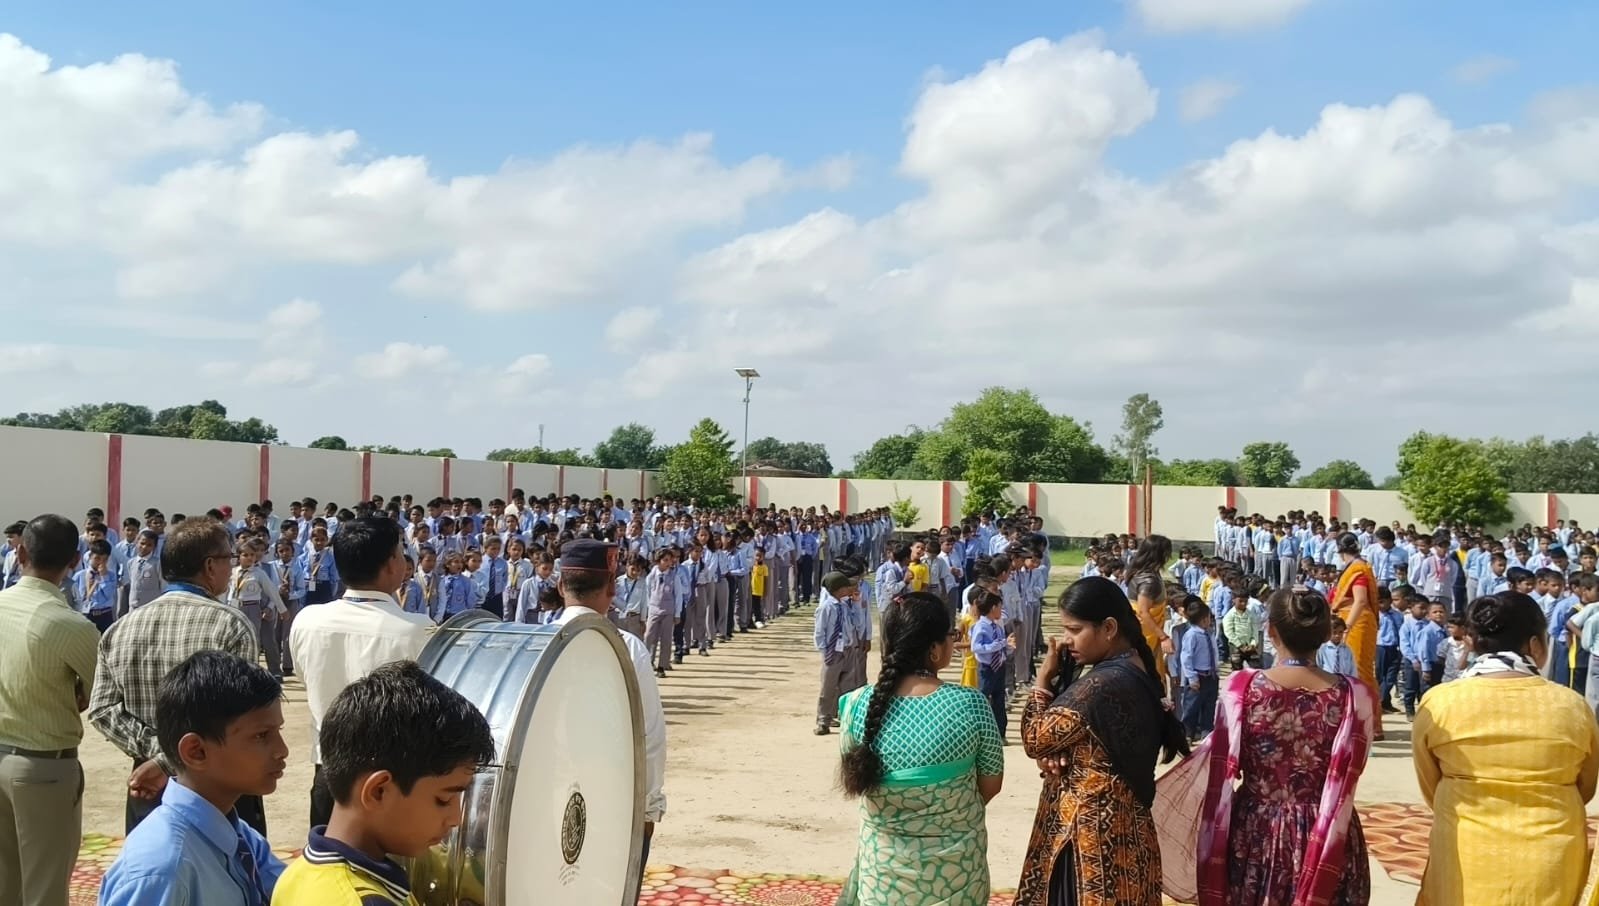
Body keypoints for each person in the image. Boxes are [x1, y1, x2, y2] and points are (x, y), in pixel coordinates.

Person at [1157, 586, 1374, 905]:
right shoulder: (1355, 696)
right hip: (1328, 830)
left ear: (1270, 630)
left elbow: (1223, 758)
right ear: (1328, 633)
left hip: (1256, 831)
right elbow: (1355, 765)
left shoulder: (1242, 687)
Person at [1414, 592, 1599, 906]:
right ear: (1536, 645)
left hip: (1465, 852)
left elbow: (1430, 783)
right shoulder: (1572, 706)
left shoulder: (1440, 702)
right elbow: (1586, 786)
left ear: (1472, 642)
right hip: (1549, 860)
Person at [87, 517, 266, 835]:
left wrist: (158, 758)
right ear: (210, 566)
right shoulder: (231, 625)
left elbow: (102, 709)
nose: (232, 567)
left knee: (153, 862)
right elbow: (236, 714)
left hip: (148, 783)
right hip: (218, 782)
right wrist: (168, 759)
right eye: (229, 558)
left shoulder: (120, 629)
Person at [1015, 576, 1188, 905]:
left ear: (1109, 628)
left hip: (1089, 838)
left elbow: (1035, 738)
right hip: (1126, 836)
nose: (1067, 640)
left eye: (1075, 629)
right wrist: (1059, 752)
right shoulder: (1133, 668)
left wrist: (1042, 681)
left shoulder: (1100, 685)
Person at [270, 661, 494, 905]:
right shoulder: (364, 900)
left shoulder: (297, 874)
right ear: (378, 791)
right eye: (444, 799)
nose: (456, 819)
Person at [835, 590, 1003, 905]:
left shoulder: (856, 705)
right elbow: (990, 784)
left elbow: (855, 774)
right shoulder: (972, 704)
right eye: (952, 635)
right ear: (935, 649)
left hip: (883, 880)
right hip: (958, 877)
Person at [98, 651, 288, 906]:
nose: (282, 750)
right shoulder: (163, 869)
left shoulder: (240, 836)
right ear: (196, 752)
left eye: (278, 731)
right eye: (261, 736)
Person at [288, 516, 435, 831]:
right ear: (391, 565)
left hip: (328, 771)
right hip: (390, 778)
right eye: (400, 553)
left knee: (326, 853)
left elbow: (305, 678)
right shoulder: (419, 630)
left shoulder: (307, 620)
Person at [548, 539, 667, 902]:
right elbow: (649, 737)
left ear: (560, 586)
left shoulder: (537, 640)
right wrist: (648, 806)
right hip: (613, 797)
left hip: (547, 795)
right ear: (612, 589)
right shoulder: (628, 647)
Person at [0, 514, 98, 906]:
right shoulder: (71, 625)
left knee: (6, 883)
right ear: (75, 560)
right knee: (45, 888)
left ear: (20, 552)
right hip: (42, 764)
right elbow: (96, 692)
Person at [1326, 532, 1380, 739]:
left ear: (1340, 551)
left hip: (1356, 622)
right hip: (1349, 620)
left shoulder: (1357, 569)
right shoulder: (1353, 567)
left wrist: (1347, 626)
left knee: (1359, 672)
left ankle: (1370, 724)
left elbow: (1360, 600)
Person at [814, 572, 863, 736]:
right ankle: (823, 720)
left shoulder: (845, 605)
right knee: (828, 688)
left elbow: (857, 623)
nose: (849, 589)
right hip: (833, 652)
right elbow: (819, 632)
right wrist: (825, 652)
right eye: (846, 587)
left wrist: (856, 604)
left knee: (848, 688)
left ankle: (847, 720)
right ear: (838, 589)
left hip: (848, 650)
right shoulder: (826, 607)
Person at [1125, 535, 1174, 690]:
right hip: (1146, 635)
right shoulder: (1148, 581)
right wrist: (1164, 637)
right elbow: (1143, 612)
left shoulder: (1146, 573)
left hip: (1147, 633)